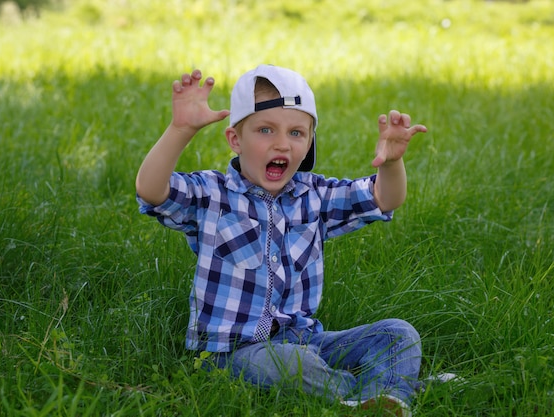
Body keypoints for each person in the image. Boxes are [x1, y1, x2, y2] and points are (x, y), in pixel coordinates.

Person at [136, 64, 427, 416]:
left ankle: (383, 393)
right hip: (232, 354)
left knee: (398, 333)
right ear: (235, 139)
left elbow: (384, 198)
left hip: (307, 340)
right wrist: (180, 129)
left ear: (309, 143)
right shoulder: (213, 195)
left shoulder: (314, 197)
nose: (282, 143)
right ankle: (376, 393)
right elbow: (152, 191)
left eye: (296, 133)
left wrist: (392, 163)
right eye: (265, 130)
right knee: (289, 363)